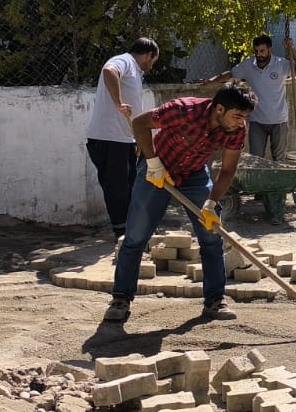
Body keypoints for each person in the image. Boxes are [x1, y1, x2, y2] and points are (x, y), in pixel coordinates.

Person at [103, 82, 256, 325]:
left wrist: (211, 203)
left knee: (211, 235)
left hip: (194, 174)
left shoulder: (236, 129)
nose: (241, 122)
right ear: (219, 109)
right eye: (237, 116)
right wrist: (153, 163)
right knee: (135, 237)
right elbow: (140, 123)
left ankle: (215, 300)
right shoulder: (184, 110)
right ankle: (120, 299)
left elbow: (227, 170)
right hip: (156, 170)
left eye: (244, 117)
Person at [84, 37, 159, 240]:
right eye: (153, 61)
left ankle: (133, 229)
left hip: (124, 139)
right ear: (148, 55)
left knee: (131, 186)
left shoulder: (134, 70)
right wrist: (118, 102)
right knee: (117, 188)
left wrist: (137, 139)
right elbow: (109, 71)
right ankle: (123, 232)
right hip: (109, 138)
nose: (151, 66)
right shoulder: (125, 60)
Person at [208, 33, 296, 162]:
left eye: (262, 51)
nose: (259, 54)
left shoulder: (280, 64)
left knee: (279, 159)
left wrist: (292, 49)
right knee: (256, 159)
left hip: (279, 120)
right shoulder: (248, 65)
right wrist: (211, 81)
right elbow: (231, 74)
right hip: (257, 121)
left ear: (270, 49)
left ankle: (277, 176)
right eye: (256, 51)